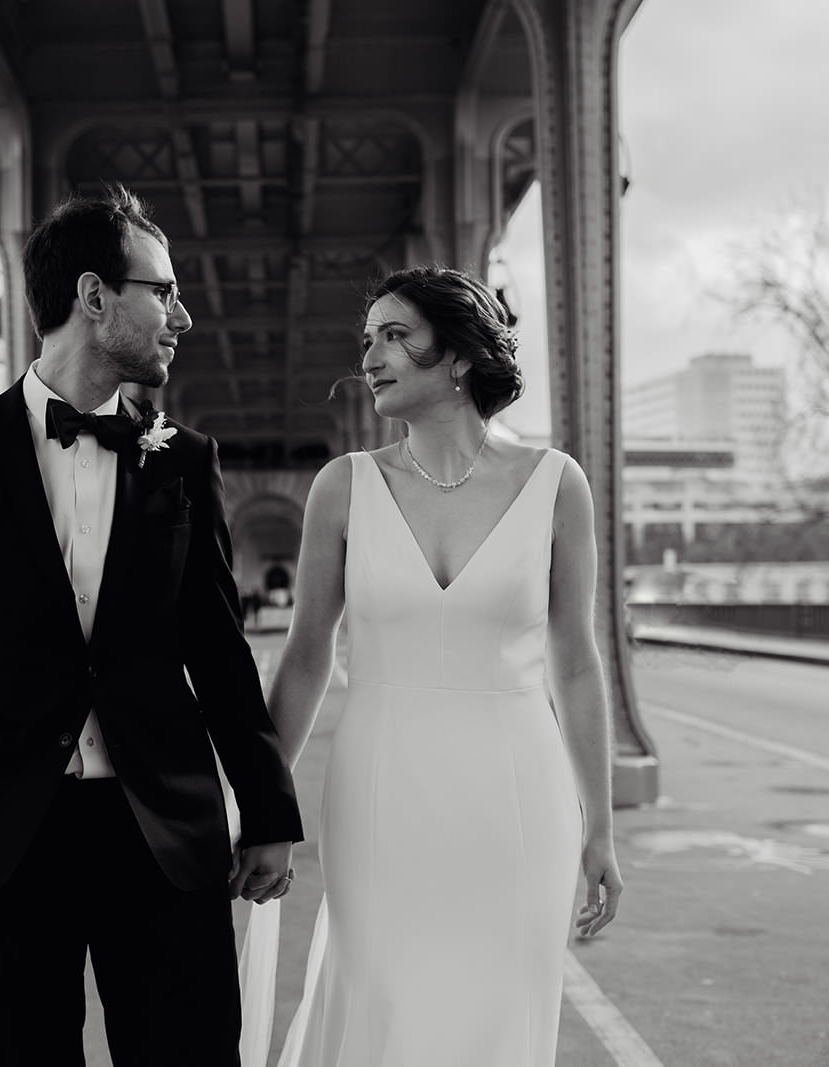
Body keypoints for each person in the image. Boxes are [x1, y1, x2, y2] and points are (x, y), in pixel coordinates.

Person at [0, 184, 304, 1066]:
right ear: (95, 297)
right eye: (163, 291)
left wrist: (267, 810)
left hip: (166, 834)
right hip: (3, 838)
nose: (181, 314)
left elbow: (219, 652)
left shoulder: (185, 460)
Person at [260, 265, 622, 1065]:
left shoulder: (557, 484)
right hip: (380, 789)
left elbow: (576, 662)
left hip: (518, 799)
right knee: (379, 999)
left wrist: (600, 823)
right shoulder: (343, 487)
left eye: (395, 335)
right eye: (368, 339)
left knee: (499, 1012)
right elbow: (306, 653)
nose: (371, 355)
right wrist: (261, 803)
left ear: (457, 356)